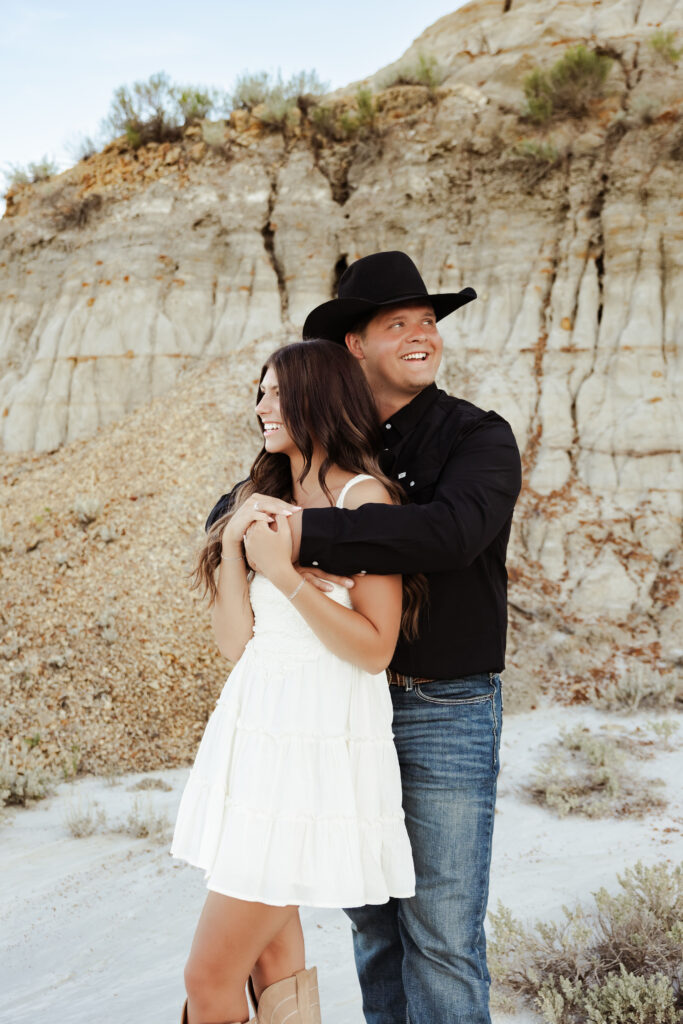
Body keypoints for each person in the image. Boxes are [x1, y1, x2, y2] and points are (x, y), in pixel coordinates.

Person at [208, 251, 522, 1023]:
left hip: (444, 705)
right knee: (372, 926)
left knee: (442, 933)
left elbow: (448, 536)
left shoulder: (475, 436)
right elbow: (230, 520)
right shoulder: (317, 452)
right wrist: (251, 530)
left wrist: (294, 537)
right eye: (398, 324)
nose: (423, 336)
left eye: (428, 322)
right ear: (355, 344)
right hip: (342, 712)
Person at [171, 338, 419, 1024]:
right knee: (270, 963)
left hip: (310, 752)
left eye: (277, 393)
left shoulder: (364, 497)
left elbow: (375, 650)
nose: (262, 407)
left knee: (207, 976)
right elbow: (234, 643)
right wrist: (231, 547)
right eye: (260, 392)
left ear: (320, 397)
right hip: (254, 738)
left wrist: (283, 576)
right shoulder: (263, 493)